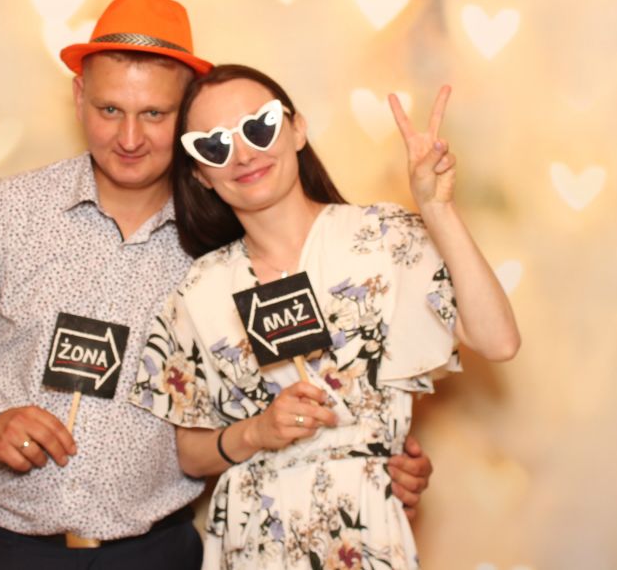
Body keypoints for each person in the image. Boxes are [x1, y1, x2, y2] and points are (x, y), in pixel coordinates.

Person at [0, 0, 435, 570]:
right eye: (110, 110)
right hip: (6, 548)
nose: (130, 139)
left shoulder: (230, 249)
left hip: (157, 553)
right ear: (79, 97)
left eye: (154, 114)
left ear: (187, 118)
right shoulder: (4, 214)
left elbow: (318, 374)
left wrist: (373, 462)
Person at [130, 64, 521, 569]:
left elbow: (498, 340)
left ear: (297, 129)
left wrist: (438, 209)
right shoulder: (200, 289)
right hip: (254, 538)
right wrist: (258, 431)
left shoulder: (384, 238)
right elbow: (189, 452)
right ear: (200, 173)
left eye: (259, 127)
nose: (243, 154)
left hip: (364, 527)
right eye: (214, 145)